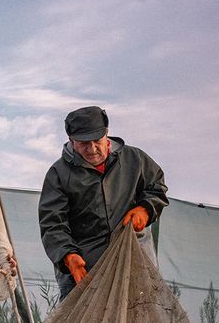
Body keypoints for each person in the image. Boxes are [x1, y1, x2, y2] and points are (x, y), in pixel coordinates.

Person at [38, 105, 168, 299]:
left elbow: (156, 187)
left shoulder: (135, 159)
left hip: (135, 264)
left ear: (106, 134)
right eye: (83, 143)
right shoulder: (58, 174)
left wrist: (145, 209)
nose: (92, 149)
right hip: (86, 273)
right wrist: (68, 256)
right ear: (71, 141)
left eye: (97, 140)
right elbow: (52, 224)